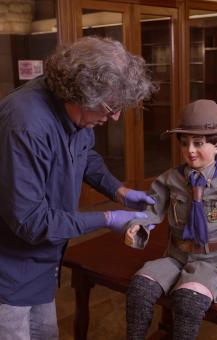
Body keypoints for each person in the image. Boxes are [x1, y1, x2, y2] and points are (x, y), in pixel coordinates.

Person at [0, 36, 157, 339]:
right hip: (8, 273)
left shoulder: (77, 116)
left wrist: (120, 192)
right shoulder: (25, 124)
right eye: (111, 106)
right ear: (82, 94)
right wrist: (106, 219)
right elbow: (31, 222)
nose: (115, 116)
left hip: (42, 266)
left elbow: (84, 156)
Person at [124, 99, 217, 340]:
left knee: (188, 302)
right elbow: (153, 210)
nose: (190, 150)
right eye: (185, 143)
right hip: (175, 256)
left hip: (211, 262)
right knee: (140, 288)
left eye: (198, 143)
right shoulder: (170, 180)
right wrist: (139, 225)